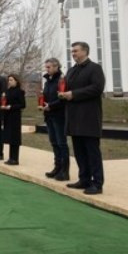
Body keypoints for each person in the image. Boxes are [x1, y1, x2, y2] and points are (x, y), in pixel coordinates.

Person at [59, 42, 106, 195]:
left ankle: (97, 183)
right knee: (79, 152)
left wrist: (74, 94)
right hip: (74, 118)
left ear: (85, 51)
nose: (73, 53)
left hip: (89, 117)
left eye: (76, 51)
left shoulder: (95, 69)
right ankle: (84, 179)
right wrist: (63, 93)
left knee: (92, 152)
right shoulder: (72, 71)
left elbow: (97, 88)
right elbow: (66, 88)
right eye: (72, 51)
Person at [41, 58, 70, 181]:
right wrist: (43, 105)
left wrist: (51, 106)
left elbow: (62, 98)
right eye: (46, 67)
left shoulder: (61, 80)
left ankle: (64, 171)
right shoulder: (48, 81)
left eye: (49, 67)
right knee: (54, 142)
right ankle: (57, 167)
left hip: (59, 115)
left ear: (56, 66)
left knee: (61, 143)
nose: (46, 69)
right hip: (49, 115)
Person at [1, 74, 26, 165]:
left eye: (11, 80)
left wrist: (11, 107)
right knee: (10, 137)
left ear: (16, 81)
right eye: (9, 80)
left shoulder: (20, 91)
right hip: (7, 116)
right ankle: (11, 157)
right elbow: (4, 100)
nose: (9, 82)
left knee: (15, 138)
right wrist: (3, 105)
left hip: (15, 116)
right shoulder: (7, 91)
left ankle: (15, 158)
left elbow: (22, 105)